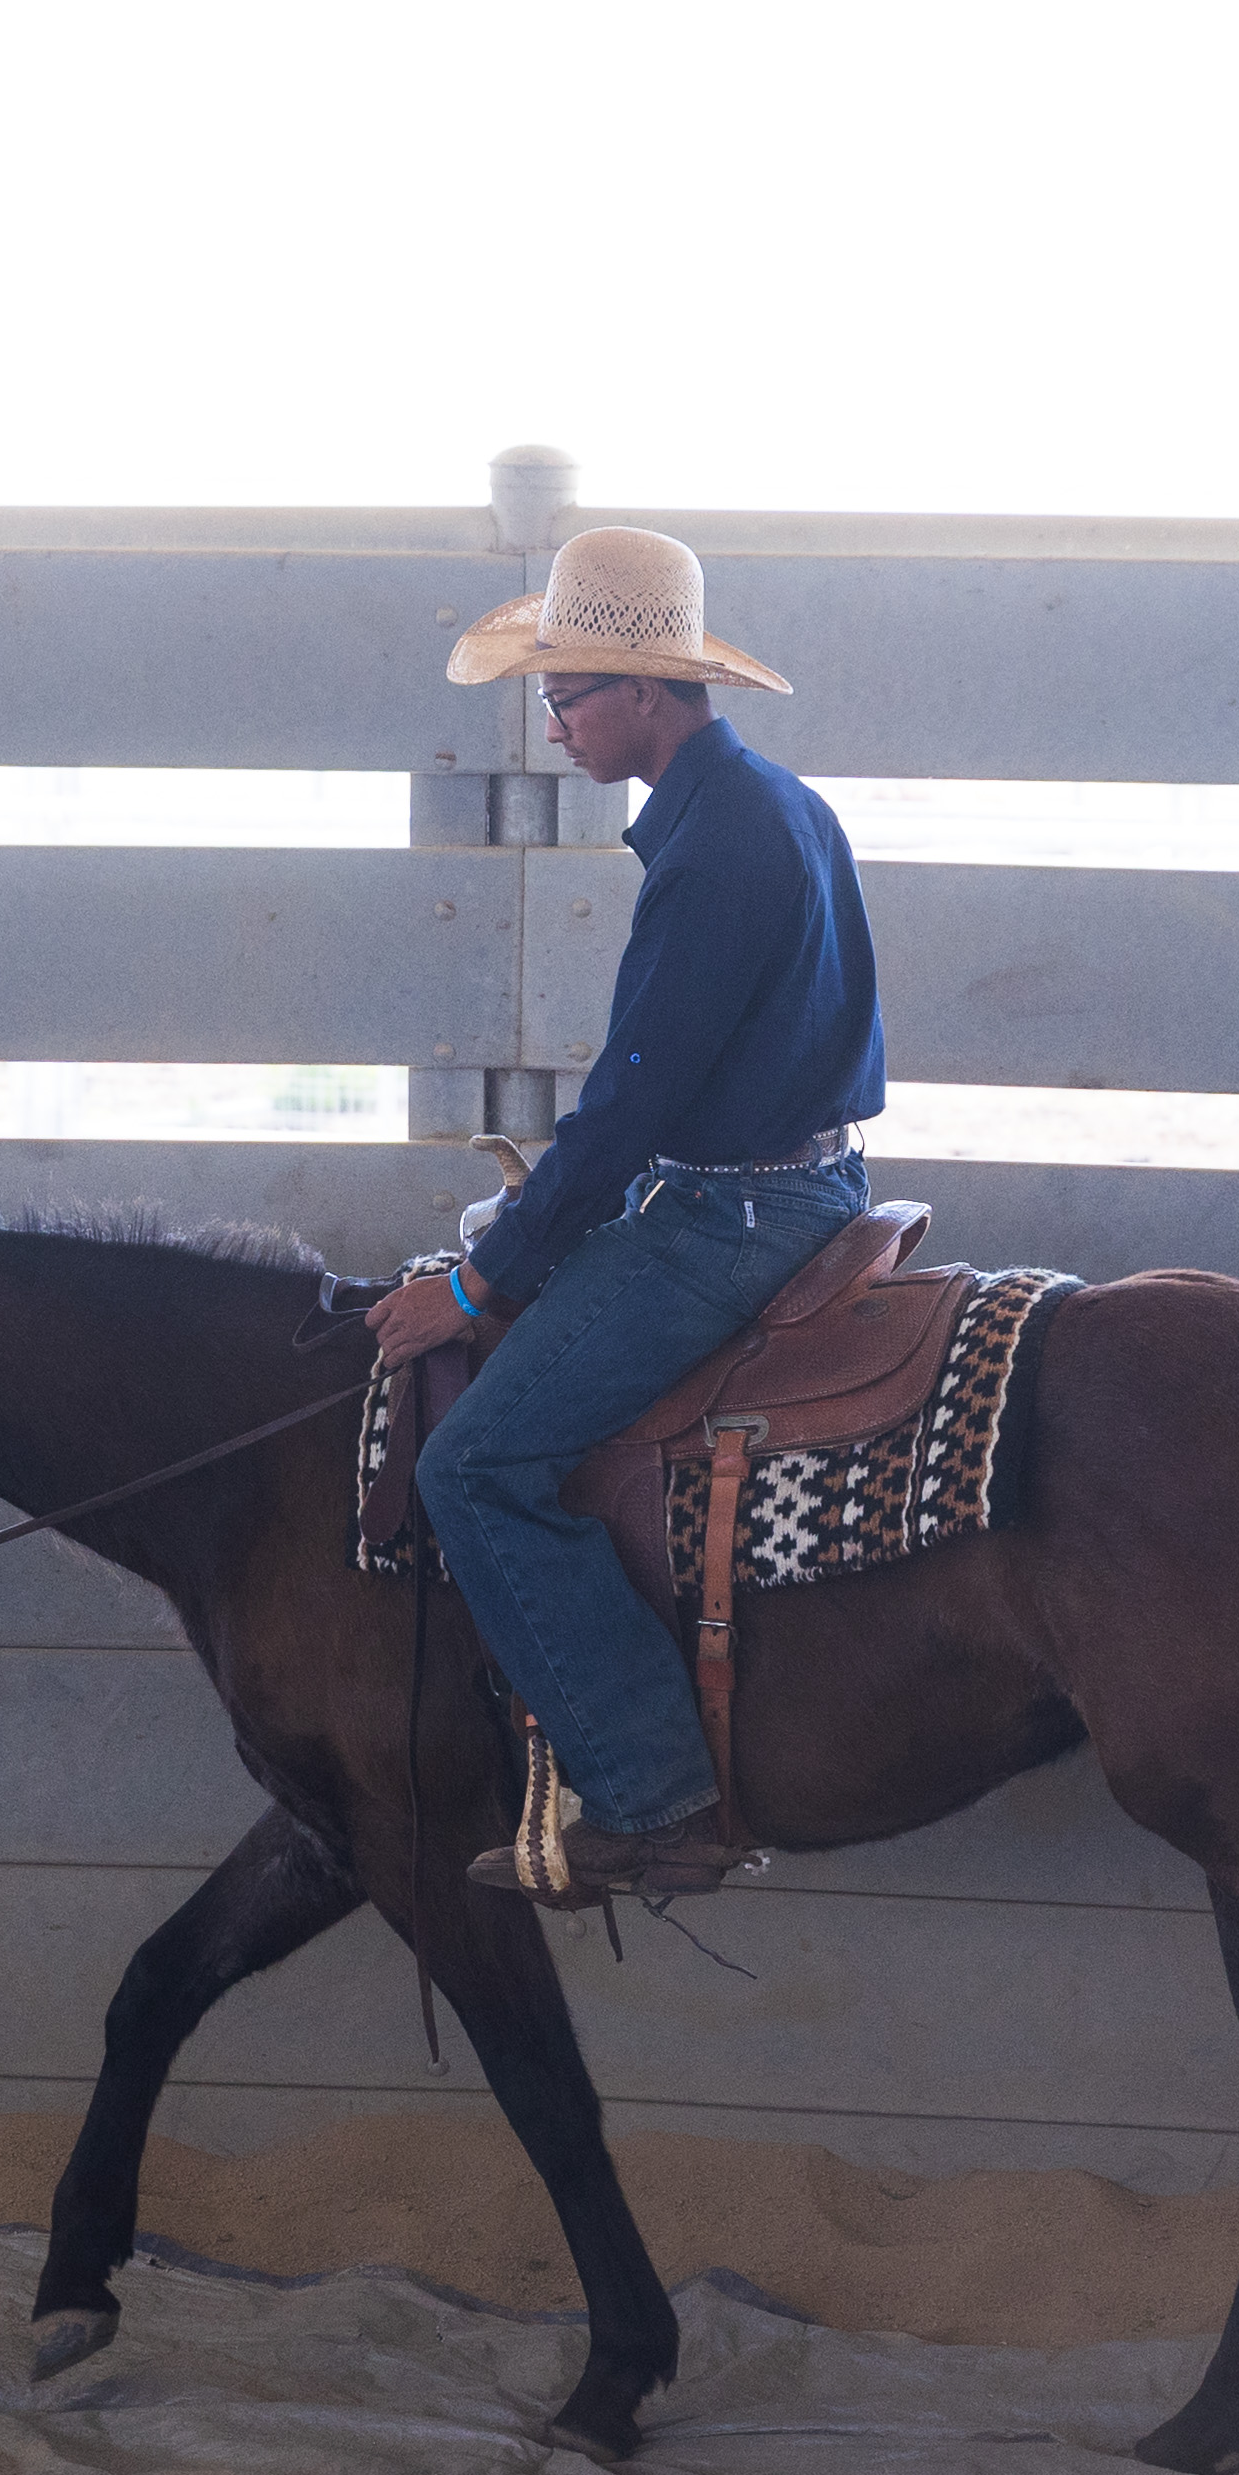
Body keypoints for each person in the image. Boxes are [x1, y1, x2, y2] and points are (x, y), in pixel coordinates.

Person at [368, 527, 886, 1900]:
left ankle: (655, 1797)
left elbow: (634, 1102)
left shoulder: (715, 848)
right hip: (800, 1179)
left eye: (569, 696)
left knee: (468, 1468)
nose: (551, 725)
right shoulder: (774, 805)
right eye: (547, 697)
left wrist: (481, 1287)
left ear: (648, 695)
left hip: (732, 1212)